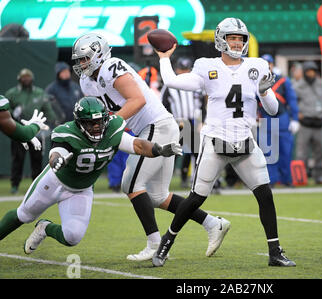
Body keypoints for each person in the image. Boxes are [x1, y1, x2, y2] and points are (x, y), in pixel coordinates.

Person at [71, 32, 229, 261]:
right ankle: (213, 223)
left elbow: (138, 100)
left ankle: (155, 243)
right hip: (152, 129)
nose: (81, 64)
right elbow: (103, 111)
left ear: (99, 54)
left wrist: (111, 124)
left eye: (85, 58)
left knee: (131, 183)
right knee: (157, 195)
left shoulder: (111, 66)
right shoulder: (86, 81)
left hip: (157, 126)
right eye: (79, 59)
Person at [152, 17, 296, 267]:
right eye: (232, 38)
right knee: (196, 198)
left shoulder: (257, 66)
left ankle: (275, 252)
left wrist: (263, 91)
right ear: (221, 40)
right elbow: (173, 81)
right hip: (216, 141)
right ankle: (166, 241)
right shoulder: (207, 66)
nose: (238, 43)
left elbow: (272, 110)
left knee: (265, 195)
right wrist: (164, 59)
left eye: (241, 38)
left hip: (245, 142)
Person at [0, 97, 181, 251]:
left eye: (99, 121)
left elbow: (138, 145)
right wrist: (57, 160)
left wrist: (158, 149)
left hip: (81, 190)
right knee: (24, 215)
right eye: (90, 123)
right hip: (55, 181)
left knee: (72, 237)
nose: (96, 127)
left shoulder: (113, 128)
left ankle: (44, 228)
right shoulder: (67, 132)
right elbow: (56, 152)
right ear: (79, 123)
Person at [5, 68, 57, 194]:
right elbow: (4, 111)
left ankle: (37, 185)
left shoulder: (39, 92)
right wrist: (13, 113)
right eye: (24, 77)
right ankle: (15, 185)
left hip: (36, 131)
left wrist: (53, 122)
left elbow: (47, 109)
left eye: (28, 77)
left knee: (37, 160)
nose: (26, 79)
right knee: (18, 159)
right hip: (18, 129)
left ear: (32, 79)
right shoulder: (12, 93)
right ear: (19, 79)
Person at [160, 57, 203, 188]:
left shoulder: (197, 86)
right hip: (177, 123)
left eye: (186, 70)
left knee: (196, 152)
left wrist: (203, 121)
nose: (184, 73)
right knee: (172, 152)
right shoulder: (170, 86)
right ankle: (161, 181)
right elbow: (163, 106)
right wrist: (172, 121)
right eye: (181, 70)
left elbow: (203, 104)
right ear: (177, 70)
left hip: (193, 122)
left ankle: (195, 180)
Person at [260, 54, 299, 186]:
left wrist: (295, 119)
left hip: (282, 118)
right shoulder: (255, 81)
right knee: (268, 153)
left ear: (272, 65)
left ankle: (286, 179)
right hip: (265, 119)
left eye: (268, 63)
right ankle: (271, 180)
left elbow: (292, 100)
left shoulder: (283, 80)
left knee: (285, 152)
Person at [294, 60, 322, 184]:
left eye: (313, 71)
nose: (311, 74)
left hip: (318, 123)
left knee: (320, 152)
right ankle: (301, 177)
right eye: (308, 71)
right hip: (305, 123)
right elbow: (292, 103)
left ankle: (319, 177)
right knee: (302, 153)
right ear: (305, 72)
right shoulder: (298, 86)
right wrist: (297, 115)